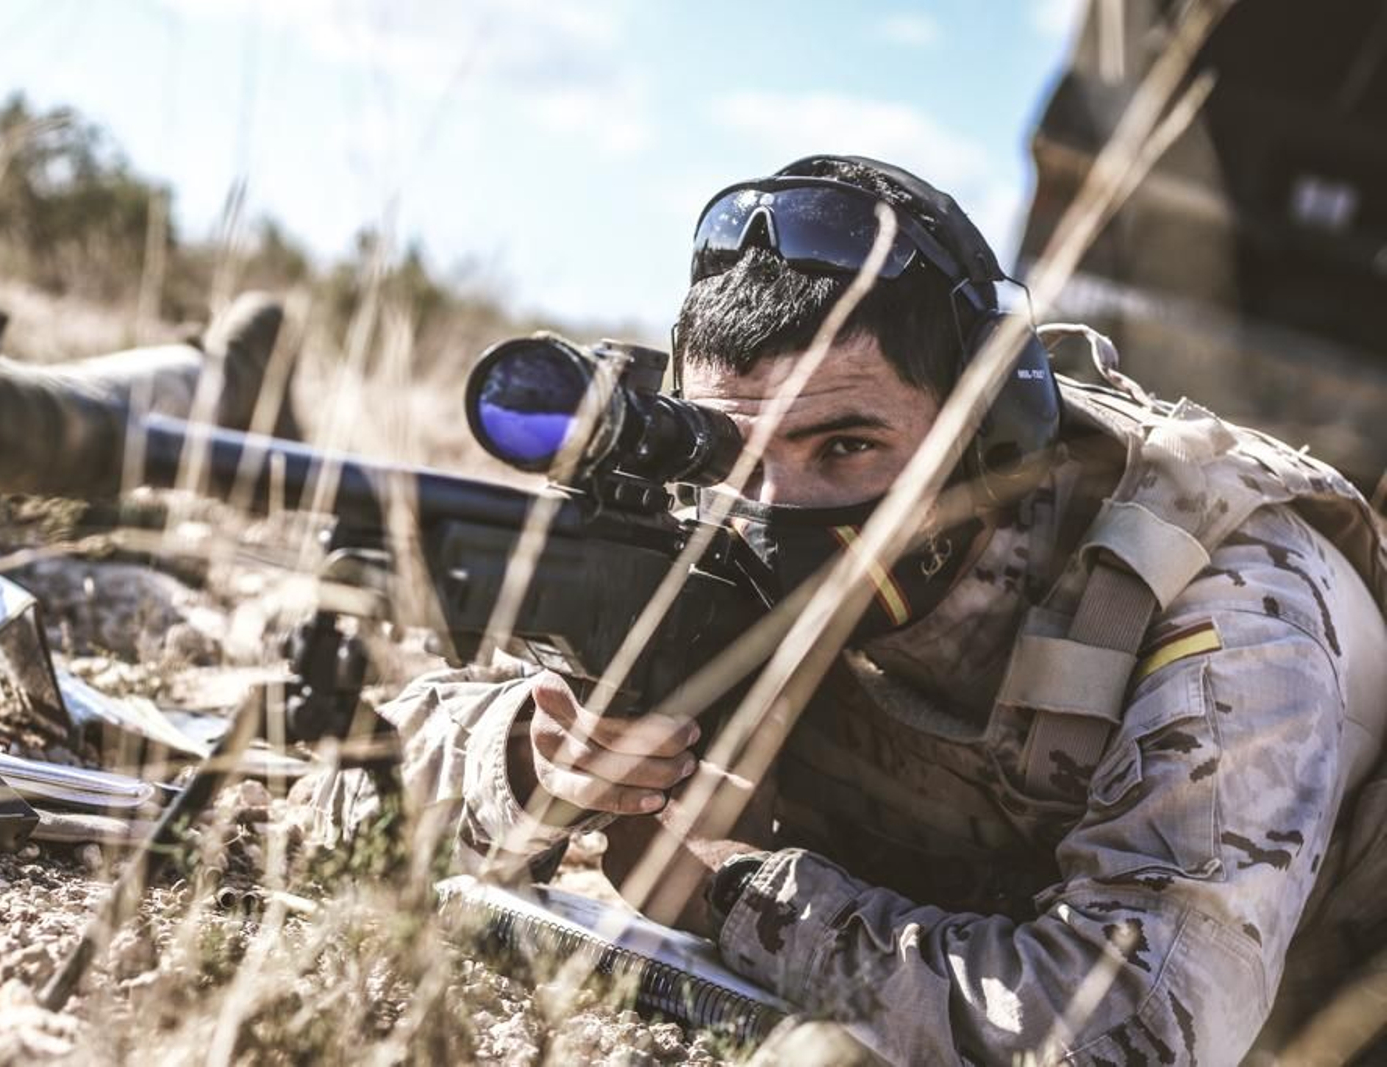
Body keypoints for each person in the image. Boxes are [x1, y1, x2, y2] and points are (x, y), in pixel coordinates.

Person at [376, 155, 1387, 1063]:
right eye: (737, 452)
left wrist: (731, 894)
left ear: (987, 428)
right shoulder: (718, 520)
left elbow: (1132, 1032)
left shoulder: (1223, 592)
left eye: (846, 446)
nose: (776, 510)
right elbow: (375, 762)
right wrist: (531, 760)